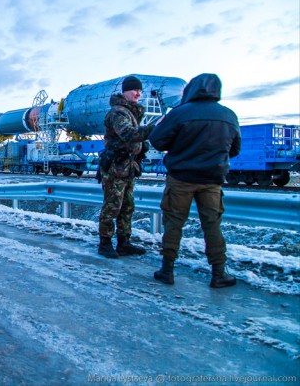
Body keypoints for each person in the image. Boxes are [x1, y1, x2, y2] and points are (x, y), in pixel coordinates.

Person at [149, 73, 240, 288]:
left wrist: (180, 147)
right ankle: (219, 273)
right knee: (212, 226)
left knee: (174, 223)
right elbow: (235, 149)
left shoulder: (180, 113)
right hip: (212, 180)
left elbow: (157, 140)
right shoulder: (229, 115)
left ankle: (167, 270)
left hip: (181, 178)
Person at [97, 76, 154, 258]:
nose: (138, 94)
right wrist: (153, 130)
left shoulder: (131, 113)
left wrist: (141, 147)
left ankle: (124, 242)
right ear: (125, 91)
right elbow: (128, 134)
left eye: (140, 91)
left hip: (128, 167)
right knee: (112, 206)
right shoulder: (118, 112)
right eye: (134, 90)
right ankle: (105, 243)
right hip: (116, 167)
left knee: (127, 206)